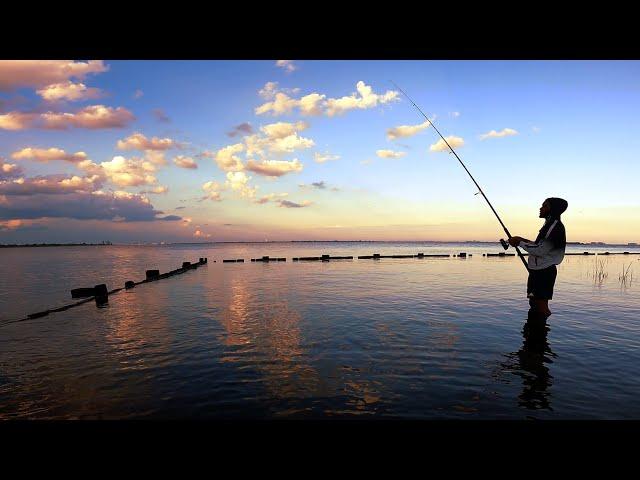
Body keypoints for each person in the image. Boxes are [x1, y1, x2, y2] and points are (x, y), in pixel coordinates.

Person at [509, 197, 568, 317]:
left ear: (553, 209)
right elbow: (539, 245)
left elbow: (540, 250)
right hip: (537, 270)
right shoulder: (549, 225)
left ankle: (541, 332)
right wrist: (522, 239)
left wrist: (519, 243)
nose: (541, 208)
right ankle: (533, 332)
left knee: (541, 306)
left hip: (544, 272)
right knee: (534, 302)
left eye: (545, 206)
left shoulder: (554, 226)